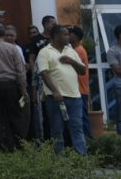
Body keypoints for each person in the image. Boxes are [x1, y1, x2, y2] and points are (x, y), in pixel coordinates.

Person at [37, 25, 88, 155]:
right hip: (56, 98)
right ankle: (59, 160)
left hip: (75, 96)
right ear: (55, 36)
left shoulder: (71, 51)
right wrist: (55, 91)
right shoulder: (45, 52)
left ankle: (81, 158)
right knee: (57, 130)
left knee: (77, 127)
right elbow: (44, 73)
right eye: (65, 34)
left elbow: (82, 71)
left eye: (68, 34)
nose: (68, 37)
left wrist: (71, 61)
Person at [68, 26, 93, 142]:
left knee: (82, 118)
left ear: (76, 37)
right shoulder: (77, 49)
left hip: (80, 89)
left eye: (70, 34)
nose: (68, 36)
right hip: (80, 89)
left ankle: (88, 141)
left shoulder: (78, 50)